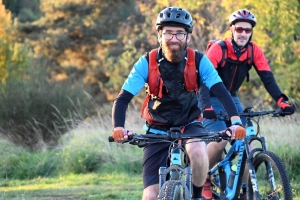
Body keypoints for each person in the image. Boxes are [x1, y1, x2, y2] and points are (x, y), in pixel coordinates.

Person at [111, 7, 246, 200]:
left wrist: (235, 121)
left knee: (199, 152)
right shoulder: (146, 62)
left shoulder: (199, 61)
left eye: (180, 33)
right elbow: (123, 98)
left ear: (188, 37)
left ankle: (197, 196)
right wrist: (118, 127)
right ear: (160, 35)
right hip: (156, 129)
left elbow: (221, 92)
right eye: (168, 33)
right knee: (150, 196)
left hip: (189, 124)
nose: (174, 39)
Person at [199, 9, 295, 200]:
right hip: (210, 96)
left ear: (251, 32)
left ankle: (244, 190)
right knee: (221, 139)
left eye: (247, 30)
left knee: (248, 144)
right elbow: (202, 80)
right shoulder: (219, 48)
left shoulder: (254, 51)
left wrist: (281, 101)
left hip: (231, 98)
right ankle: (204, 176)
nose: (243, 33)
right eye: (239, 29)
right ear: (232, 29)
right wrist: (206, 107)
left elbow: (268, 78)